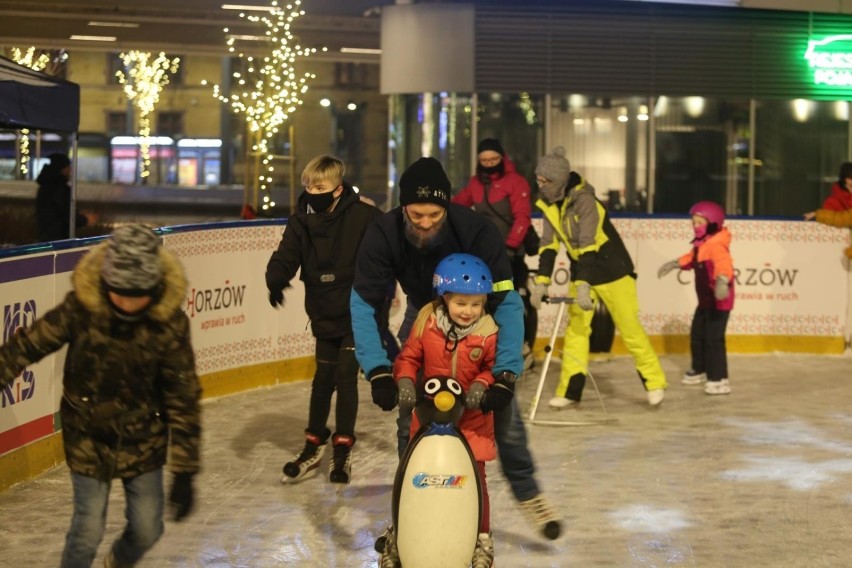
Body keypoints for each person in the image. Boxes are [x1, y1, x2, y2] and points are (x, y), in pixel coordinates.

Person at [351, 156, 562, 541]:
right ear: (403, 207)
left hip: (479, 309)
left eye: (435, 214)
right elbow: (364, 303)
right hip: (425, 309)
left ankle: (529, 494)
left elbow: (508, 302)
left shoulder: (477, 231)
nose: (426, 223)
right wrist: (378, 369)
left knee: (505, 416)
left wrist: (506, 373)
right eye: (416, 215)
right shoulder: (383, 234)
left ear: (447, 207)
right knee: (410, 412)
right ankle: (407, 512)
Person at [0, 224, 201, 567]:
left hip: (144, 437)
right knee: (87, 529)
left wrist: (185, 470)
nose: (125, 301)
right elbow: (29, 344)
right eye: (118, 290)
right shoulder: (82, 308)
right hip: (88, 434)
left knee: (147, 528)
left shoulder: (168, 324)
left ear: (154, 287)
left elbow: (182, 394)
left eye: (136, 292)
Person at [266, 154, 381, 485]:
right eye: (308, 186)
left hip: (357, 310)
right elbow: (286, 255)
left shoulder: (365, 217)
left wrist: (383, 292)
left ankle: (343, 445)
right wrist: (275, 279)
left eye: (320, 186)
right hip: (323, 308)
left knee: (346, 376)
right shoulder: (301, 222)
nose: (312, 191)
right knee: (322, 379)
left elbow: (388, 248)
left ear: (337, 189)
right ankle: (314, 443)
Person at [380, 253, 501, 568]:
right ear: (444, 297)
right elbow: (408, 357)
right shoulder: (426, 322)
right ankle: (401, 532)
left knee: (476, 478)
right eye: (461, 302)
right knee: (413, 474)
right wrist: (405, 381)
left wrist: (482, 385)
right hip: (429, 414)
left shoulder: (487, 331)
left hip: (472, 418)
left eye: (476, 303)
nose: (469, 311)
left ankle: (481, 538)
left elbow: (493, 368)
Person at [530, 146, 668, 408]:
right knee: (577, 330)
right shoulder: (548, 204)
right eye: (538, 179)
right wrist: (541, 281)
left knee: (629, 326)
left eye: (545, 180)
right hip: (582, 269)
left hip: (611, 269)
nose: (540, 184)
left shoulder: (586, 201)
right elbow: (548, 245)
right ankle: (570, 391)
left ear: (559, 180)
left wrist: (583, 284)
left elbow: (588, 244)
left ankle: (655, 382)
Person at [452, 138, 538, 368]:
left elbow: (522, 216)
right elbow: (458, 204)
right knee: (485, 300)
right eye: (484, 160)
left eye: (493, 159)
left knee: (516, 298)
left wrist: (510, 246)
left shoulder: (516, 182)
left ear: (502, 159)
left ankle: (525, 344)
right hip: (484, 255)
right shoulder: (475, 184)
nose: (489, 163)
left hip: (512, 254)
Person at [658, 201, 735, 395]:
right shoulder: (702, 244)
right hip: (706, 301)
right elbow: (691, 258)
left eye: (700, 222)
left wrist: (722, 281)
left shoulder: (717, 244)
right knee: (697, 335)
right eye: (694, 222)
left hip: (719, 301)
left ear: (713, 223)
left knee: (713, 339)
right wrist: (675, 263)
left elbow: (724, 265)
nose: (695, 226)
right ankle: (700, 369)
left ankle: (719, 379)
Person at [36, 152, 88, 242]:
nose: (70, 171)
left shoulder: (45, 186)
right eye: (68, 168)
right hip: (59, 239)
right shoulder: (60, 189)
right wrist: (85, 220)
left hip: (45, 237)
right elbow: (68, 215)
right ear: (62, 169)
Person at [803, 161, 852, 258]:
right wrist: (818, 214)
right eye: (850, 178)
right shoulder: (834, 200)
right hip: (834, 249)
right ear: (844, 180)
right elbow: (840, 218)